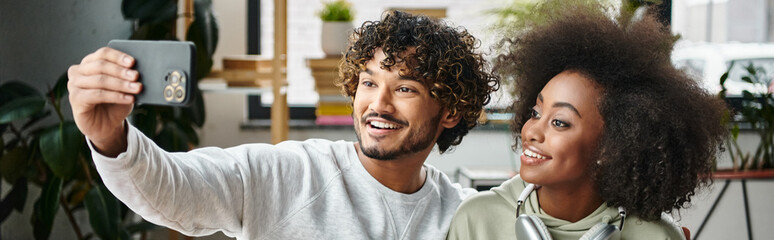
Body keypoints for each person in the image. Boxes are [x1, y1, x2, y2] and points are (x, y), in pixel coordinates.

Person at [67, 10, 498, 239]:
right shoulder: (291, 174)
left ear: (451, 111)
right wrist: (109, 137)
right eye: (368, 82)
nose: (377, 104)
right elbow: (176, 192)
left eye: (405, 89)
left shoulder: (463, 216)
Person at [447, 2, 727, 240]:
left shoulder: (654, 235)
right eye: (536, 112)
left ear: (610, 147)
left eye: (559, 123)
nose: (532, 131)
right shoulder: (477, 221)